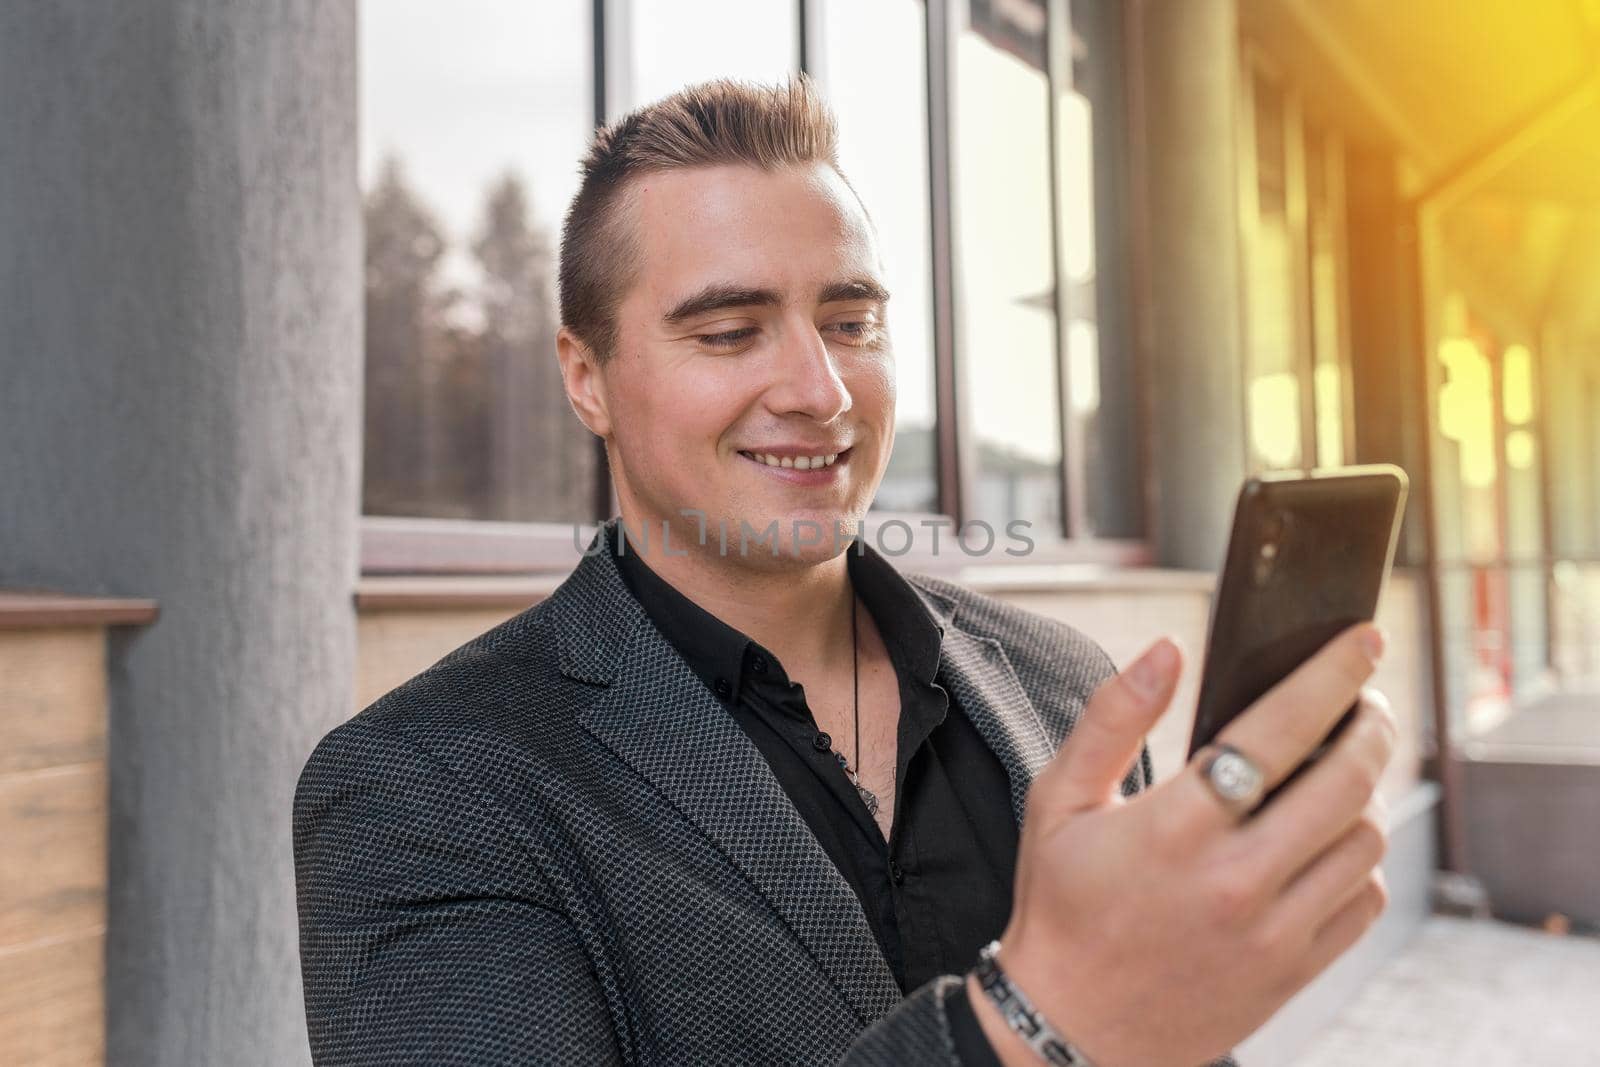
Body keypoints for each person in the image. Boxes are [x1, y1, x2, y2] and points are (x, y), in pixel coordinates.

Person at [292, 77, 1396, 1066]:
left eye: (850, 319)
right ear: (587, 378)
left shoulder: (1066, 687)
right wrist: (1029, 1022)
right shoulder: (427, 787)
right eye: (729, 331)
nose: (819, 388)